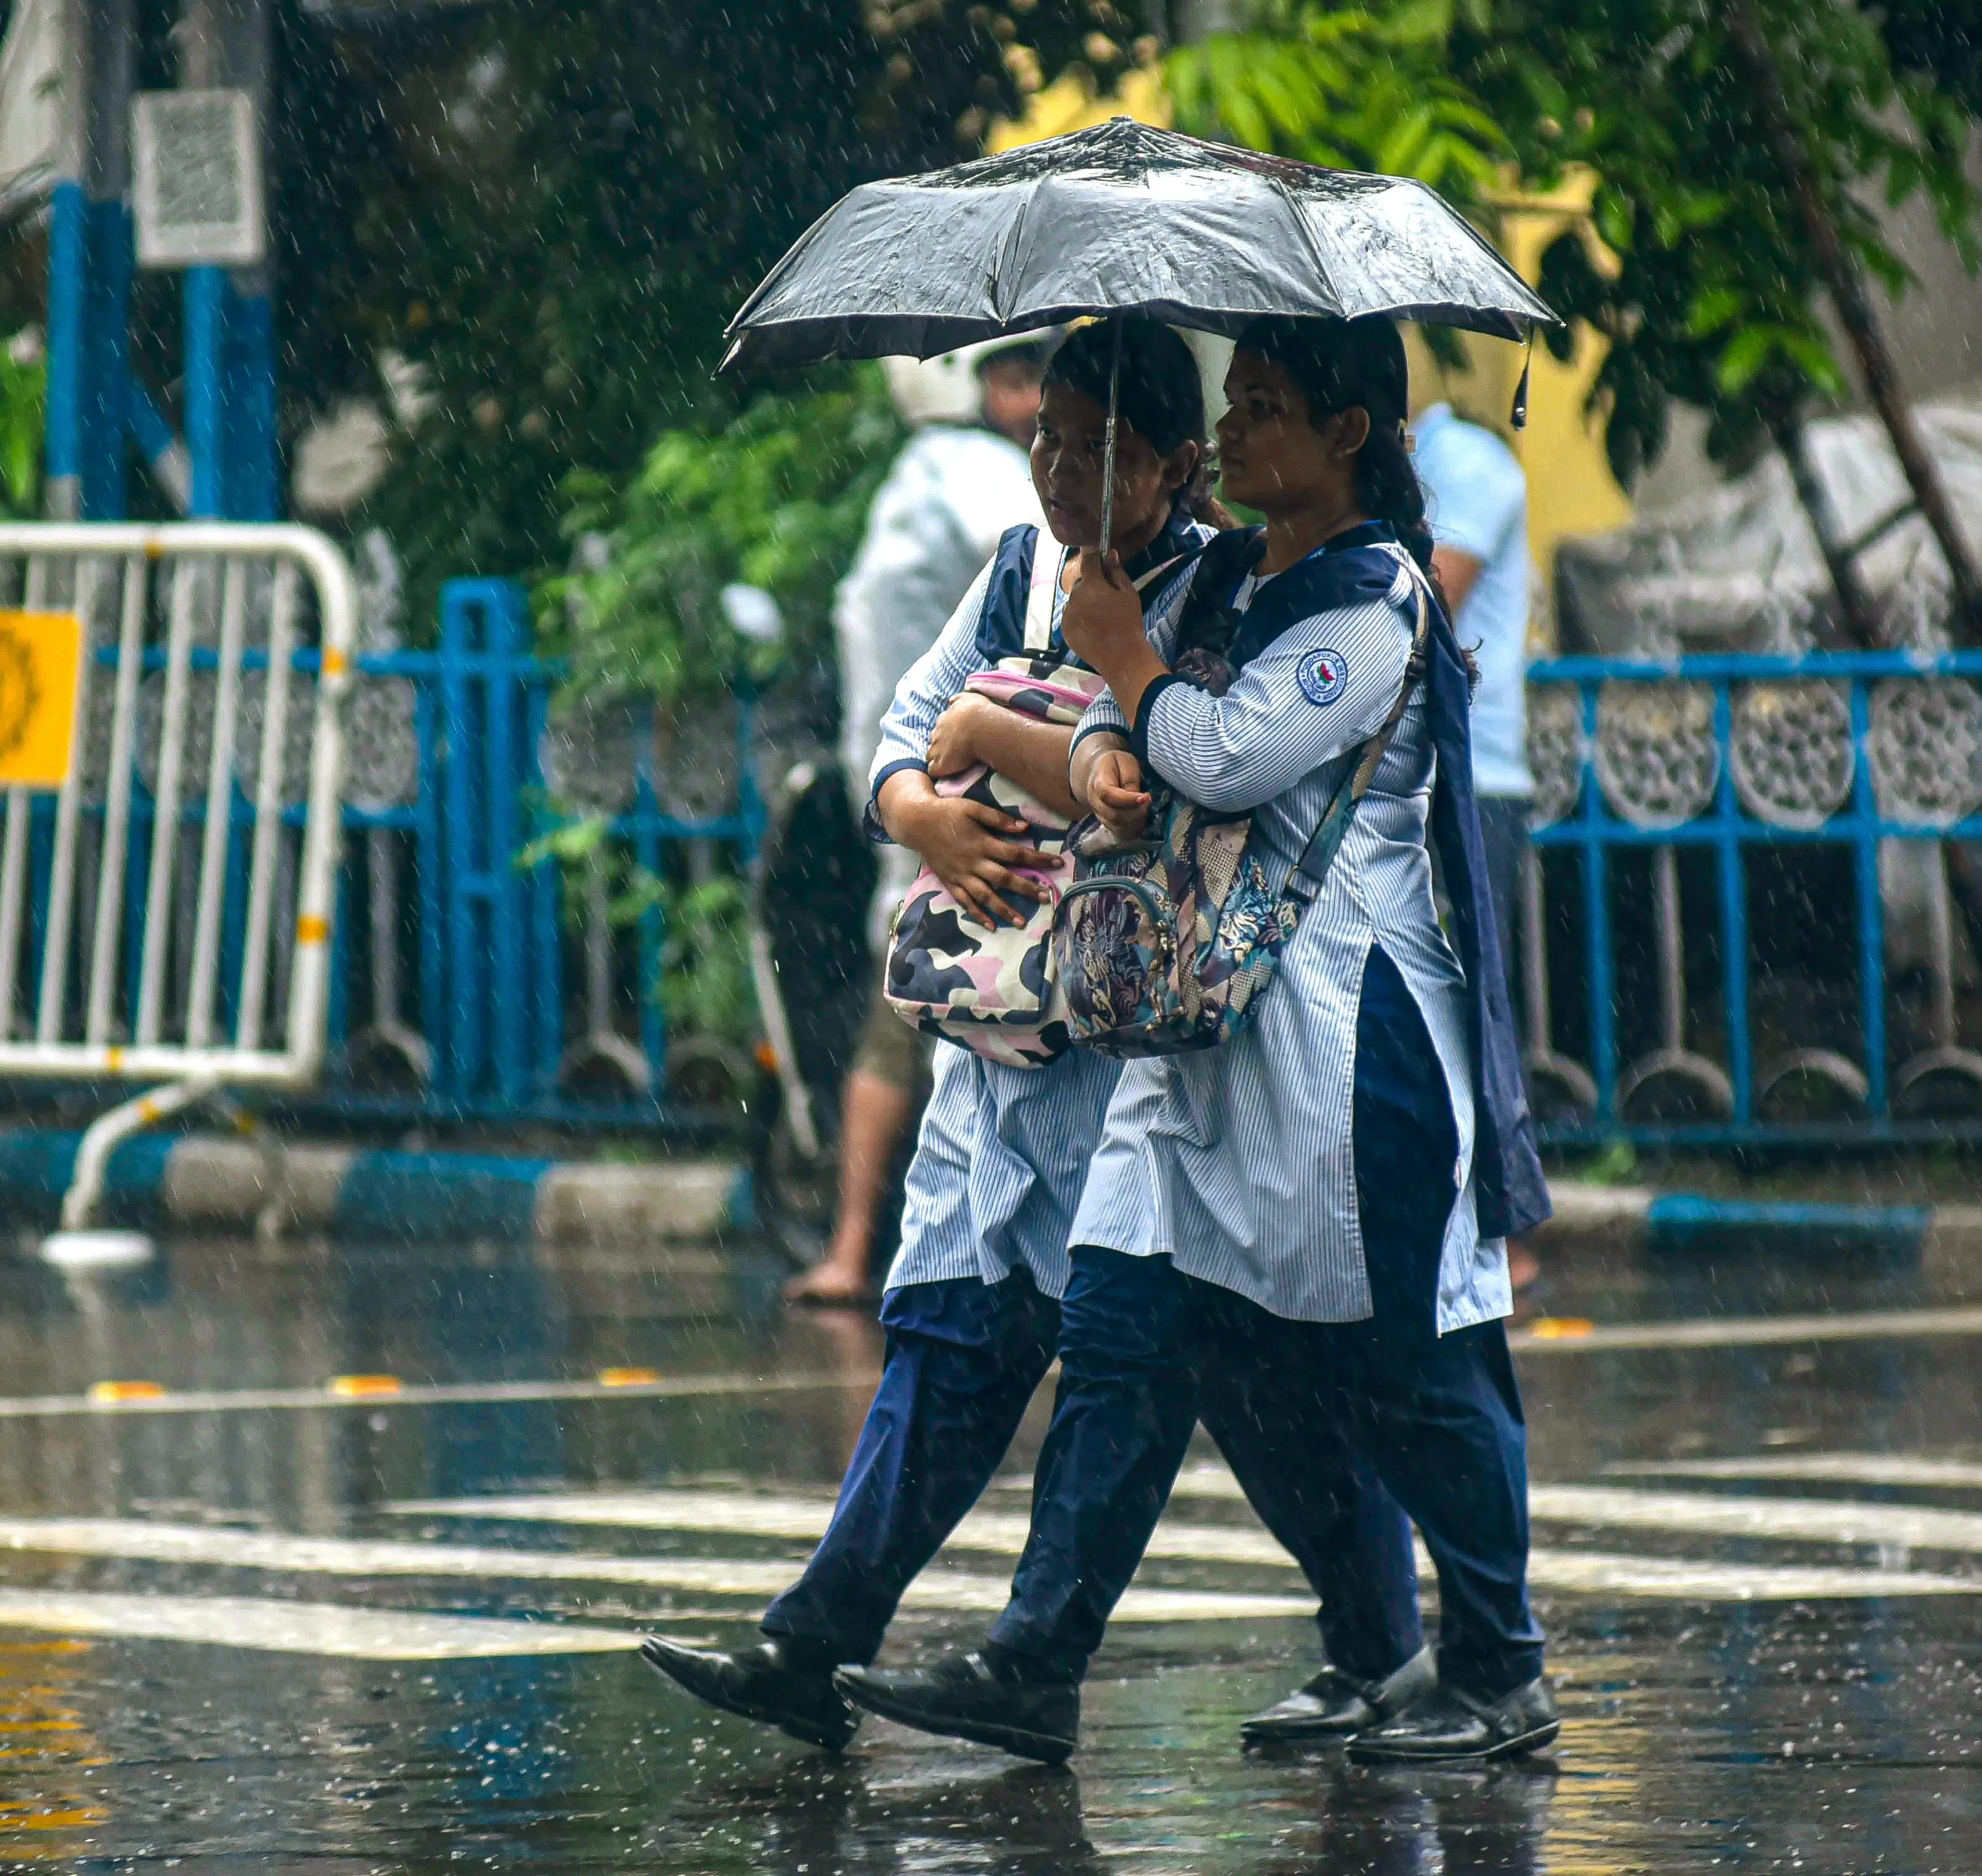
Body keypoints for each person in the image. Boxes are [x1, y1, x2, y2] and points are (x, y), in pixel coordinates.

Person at [835, 317, 1557, 1767]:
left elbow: (1219, 757)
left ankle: (1499, 1668)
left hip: (1356, 1050)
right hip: (1200, 1030)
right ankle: (1043, 1662)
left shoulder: (1371, 602)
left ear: (1346, 436)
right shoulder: (1228, 575)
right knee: (1133, 1327)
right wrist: (1045, 707)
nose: (1234, 432)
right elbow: (1110, 744)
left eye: (1267, 406)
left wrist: (1120, 672)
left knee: (1417, 1368)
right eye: (1230, 403)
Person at [639, 319, 1214, 1752]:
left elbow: (1144, 783)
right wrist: (920, 807)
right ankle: (818, 1635)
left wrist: (1002, 723)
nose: (1060, 471)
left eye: (1099, 449)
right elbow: (906, 726)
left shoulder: (1214, 598)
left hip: (1130, 1054)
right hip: (992, 1031)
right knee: (950, 1334)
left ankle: (1388, 1641)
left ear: (1178, 466)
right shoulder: (1015, 567)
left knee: (1155, 1360)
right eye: (1046, 437)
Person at [785, 334, 1048, 1307]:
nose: (1034, 407)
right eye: (1018, 382)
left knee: (908, 1006)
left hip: (917, 787)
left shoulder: (917, 480)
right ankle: (880, 1247)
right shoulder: (981, 484)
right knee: (932, 1017)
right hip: (968, 797)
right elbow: (1054, 580)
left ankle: (866, 1247)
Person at [1412, 393, 1543, 1294]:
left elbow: (1420, 605)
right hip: (1411, 777)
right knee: (1430, 1008)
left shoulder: (1469, 468)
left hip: (1473, 778)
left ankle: (1501, 1231)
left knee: (1473, 1010)